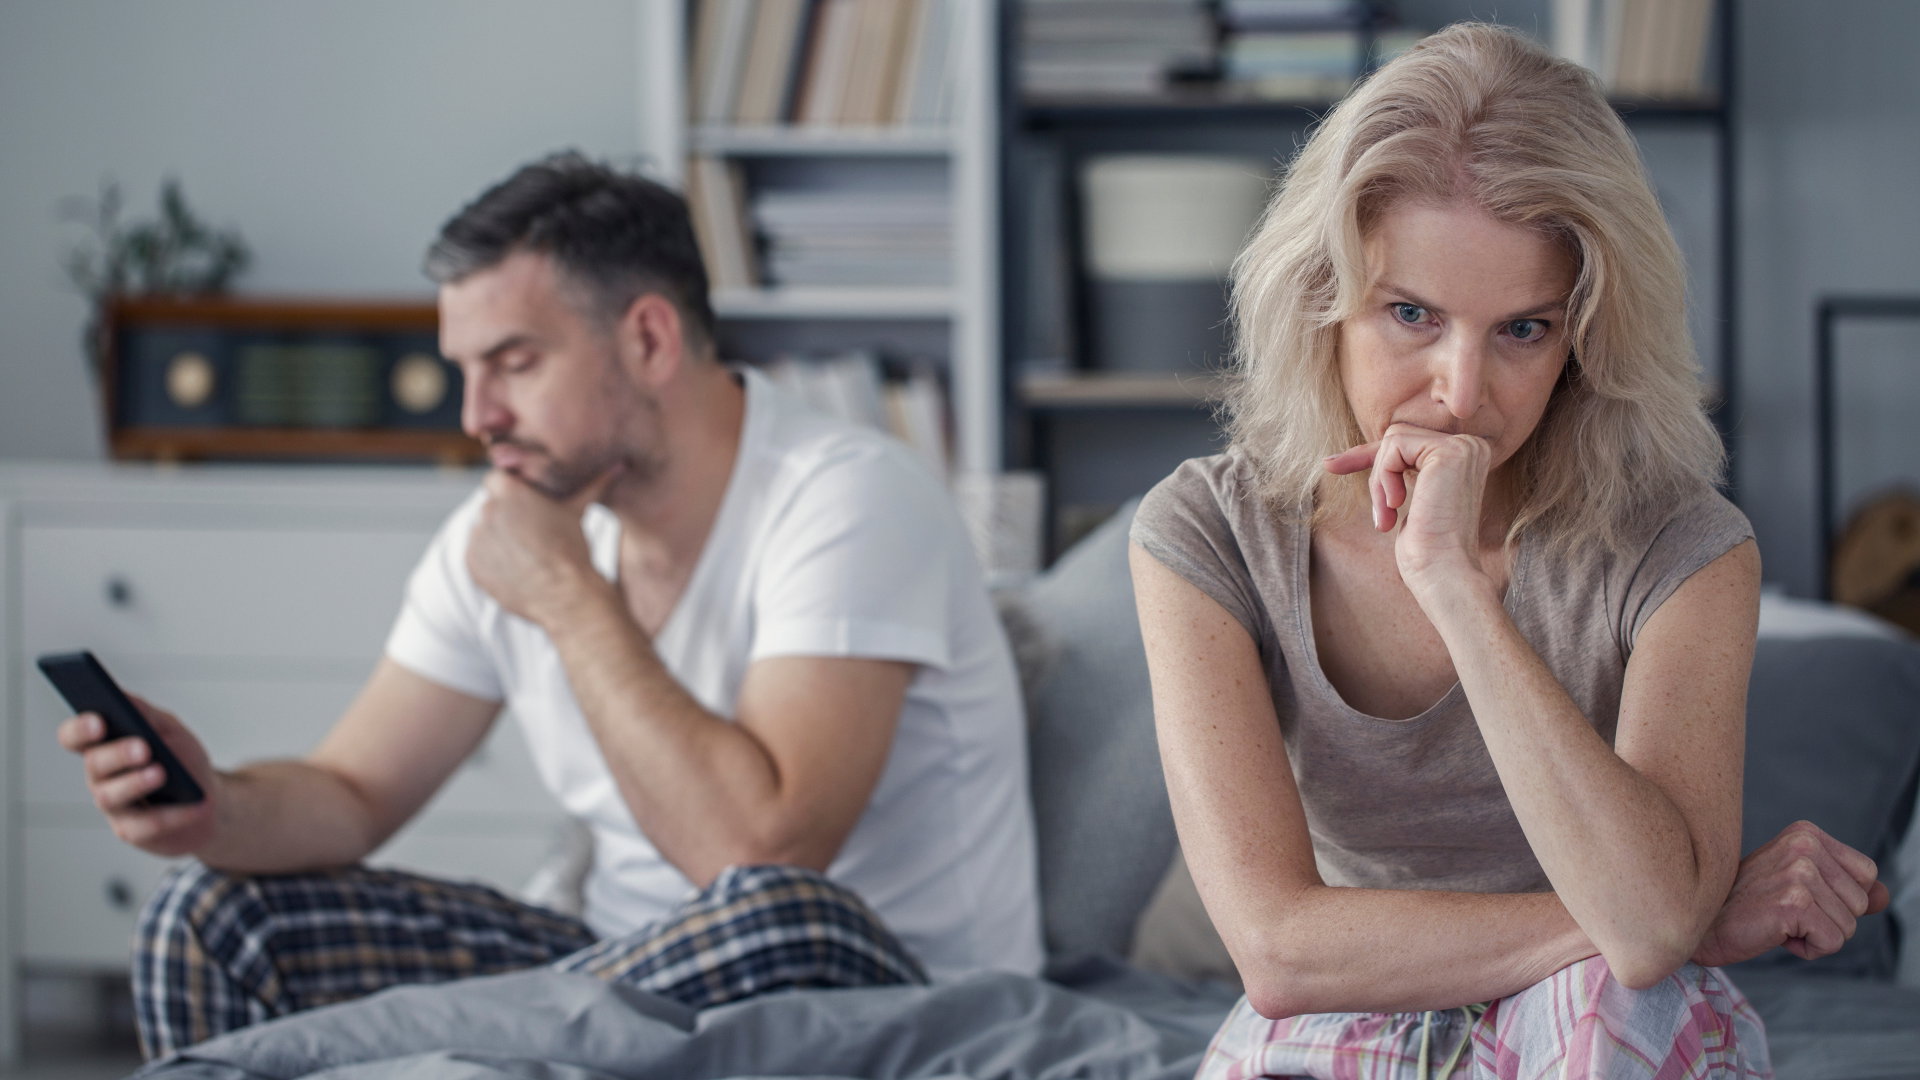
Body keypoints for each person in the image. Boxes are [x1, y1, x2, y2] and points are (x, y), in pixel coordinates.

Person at [57, 152, 1041, 1059]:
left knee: (777, 909)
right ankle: (513, 1037)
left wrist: (570, 597)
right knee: (209, 916)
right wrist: (213, 804)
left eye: (514, 364)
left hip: (892, 993)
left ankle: (490, 1041)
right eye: (464, 372)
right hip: (622, 961)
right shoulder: (506, 531)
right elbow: (352, 795)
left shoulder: (849, 497)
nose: (476, 416)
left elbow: (759, 850)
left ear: (649, 338)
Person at [1128, 24, 1887, 1080]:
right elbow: (1280, 953)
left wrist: (1452, 588)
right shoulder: (1204, 534)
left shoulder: (1687, 549)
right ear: (1322, 300)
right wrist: (1686, 920)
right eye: (1410, 314)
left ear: (1586, 333)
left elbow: (1638, 950)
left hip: (1603, 1023)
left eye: (1523, 330)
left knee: (1610, 991)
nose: (1462, 392)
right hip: (1338, 1021)